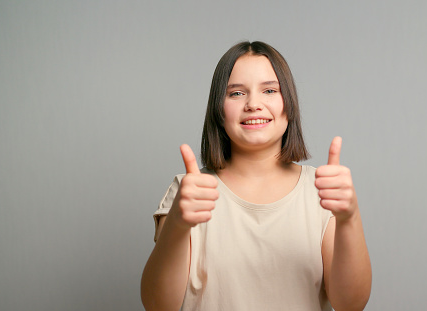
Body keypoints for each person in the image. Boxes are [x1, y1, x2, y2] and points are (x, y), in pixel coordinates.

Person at [141, 41, 372, 311]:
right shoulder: (188, 191)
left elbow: (351, 304)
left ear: (290, 104)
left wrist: (349, 218)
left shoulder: (321, 190)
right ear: (218, 109)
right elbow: (157, 305)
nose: (253, 104)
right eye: (237, 93)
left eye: (270, 90)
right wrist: (178, 225)